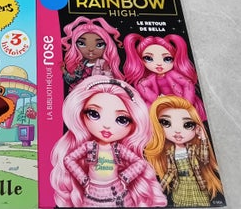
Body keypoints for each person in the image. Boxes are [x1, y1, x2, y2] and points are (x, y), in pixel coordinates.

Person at [50, 76, 167, 207]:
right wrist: (83, 179)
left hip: (118, 194)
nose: (106, 125)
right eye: (94, 114)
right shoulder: (89, 146)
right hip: (92, 193)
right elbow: (68, 159)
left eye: (122, 119)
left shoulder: (119, 149)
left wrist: (125, 177)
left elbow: (139, 163)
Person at [145, 95, 223, 207]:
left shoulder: (192, 149)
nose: (177, 131)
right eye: (166, 123)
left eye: (188, 125)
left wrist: (203, 138)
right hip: (179, 187)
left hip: (196, 184)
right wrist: (158, 189)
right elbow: (170, 172)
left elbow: (204, 160)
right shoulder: (170, 153)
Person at [123, 33, 207, 120]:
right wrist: (157, 99)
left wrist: (186, 102)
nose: (159, 63)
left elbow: (187, 84)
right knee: (147, 109)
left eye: (167, 59)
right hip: (160, 102)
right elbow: (142, 86)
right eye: (148, 58)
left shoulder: (173, 74)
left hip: (177, 101)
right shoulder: (150, 78)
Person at [60, 16, 123, 91]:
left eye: (99, 45)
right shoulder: (80, 64)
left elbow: (108, 79)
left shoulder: (103, 64)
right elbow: (73, 79)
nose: (90, 49)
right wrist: (64, 71)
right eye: (81, 43)